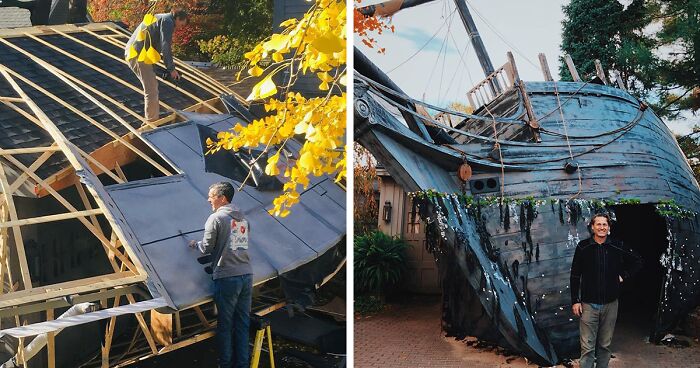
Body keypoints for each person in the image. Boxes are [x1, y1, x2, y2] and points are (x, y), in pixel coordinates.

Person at [189, 182, 253, 368]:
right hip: (246, 275)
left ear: (222, 198)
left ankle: (225, 364)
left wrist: (195, 244)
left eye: (211, 196)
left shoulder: (216, 219)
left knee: (225, 325)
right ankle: (242, 364)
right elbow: (238, 247)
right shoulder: (240, 218)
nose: (208, 199)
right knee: (242, 323)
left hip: (227, 278)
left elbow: (206, 247)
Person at [570, 213, 643, 368]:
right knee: (587, 348)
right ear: (592, 227)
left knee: (604, 345)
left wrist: (624, 275)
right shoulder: (583, 247)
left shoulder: (617, 246)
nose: (602, 227)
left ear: (609, 228)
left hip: (611, 304)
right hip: (588, 305)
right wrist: (575, 301)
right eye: (598, 224)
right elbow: (575, 275)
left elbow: (638, 260)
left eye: (605, 225)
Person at [124, 8, 187, 122]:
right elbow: (165, 45)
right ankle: (151, 122)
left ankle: (152, 118)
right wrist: (171, 69)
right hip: (138, 54)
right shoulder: (168, 21)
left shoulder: (161, 17)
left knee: (152, 85)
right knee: (151, 88)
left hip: (137, 53)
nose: (179, 28)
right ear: (177, 18)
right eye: (181, 24)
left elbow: (156, 46)